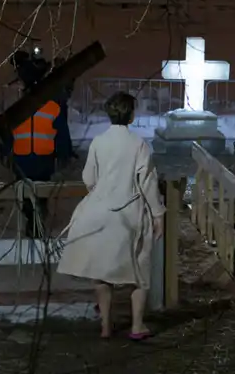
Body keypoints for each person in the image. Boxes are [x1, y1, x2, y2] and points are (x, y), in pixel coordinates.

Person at [57, 92, 165, 340]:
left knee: (102, 273)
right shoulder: (139, 144)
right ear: (131, 115)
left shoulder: (98, 141)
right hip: (129, 211)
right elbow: (147, 183)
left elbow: (89, 178)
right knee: (138, 273)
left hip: (99, 211)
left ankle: (106, 325)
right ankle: (137, 325)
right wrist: (158, 215)